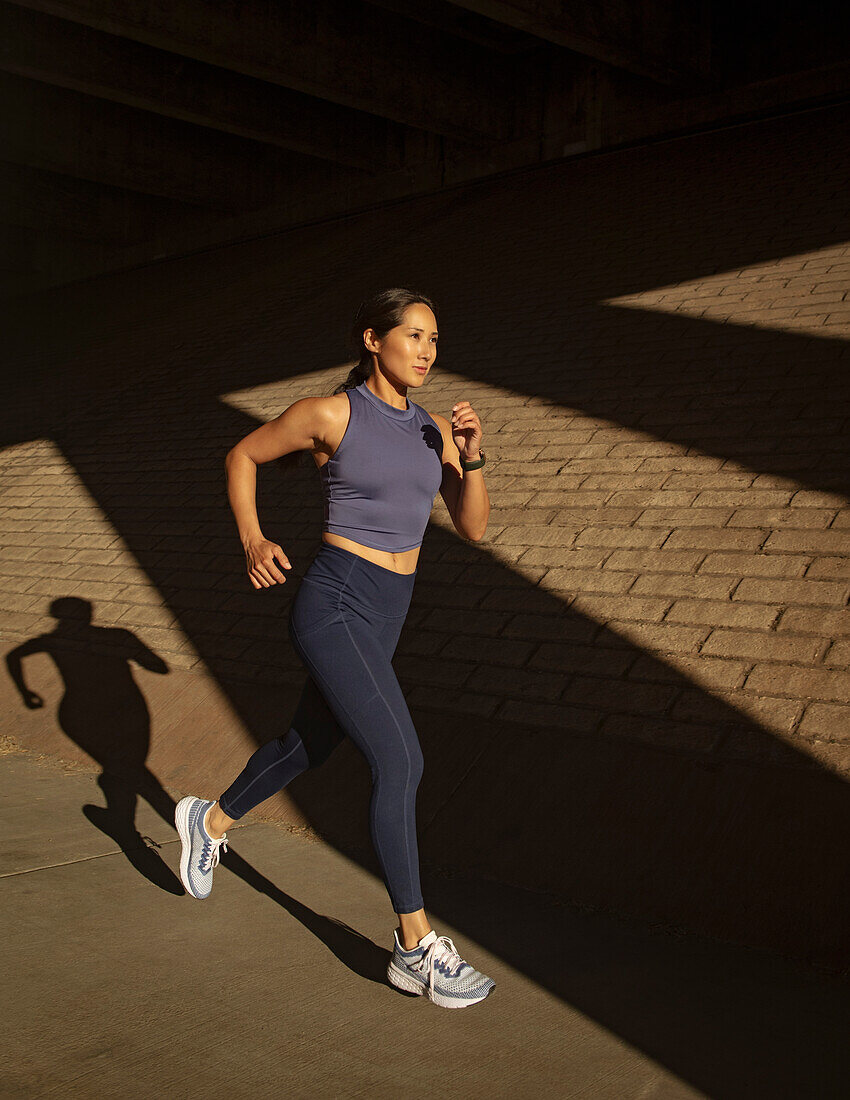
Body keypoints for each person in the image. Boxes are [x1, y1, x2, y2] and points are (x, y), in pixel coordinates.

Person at [175, 287, 494, 1008]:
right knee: (400, 757)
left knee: (308, 746)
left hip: (389, 612)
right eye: (414, 335)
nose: (427, 351)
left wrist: (472, 458)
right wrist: (253, 538)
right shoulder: (333, 412)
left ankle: (209, 819)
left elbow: (473, 528)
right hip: (336, 600)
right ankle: (415, 945)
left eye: (435, 340)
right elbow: (242, 455)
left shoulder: (432, 430)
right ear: (372, 339)